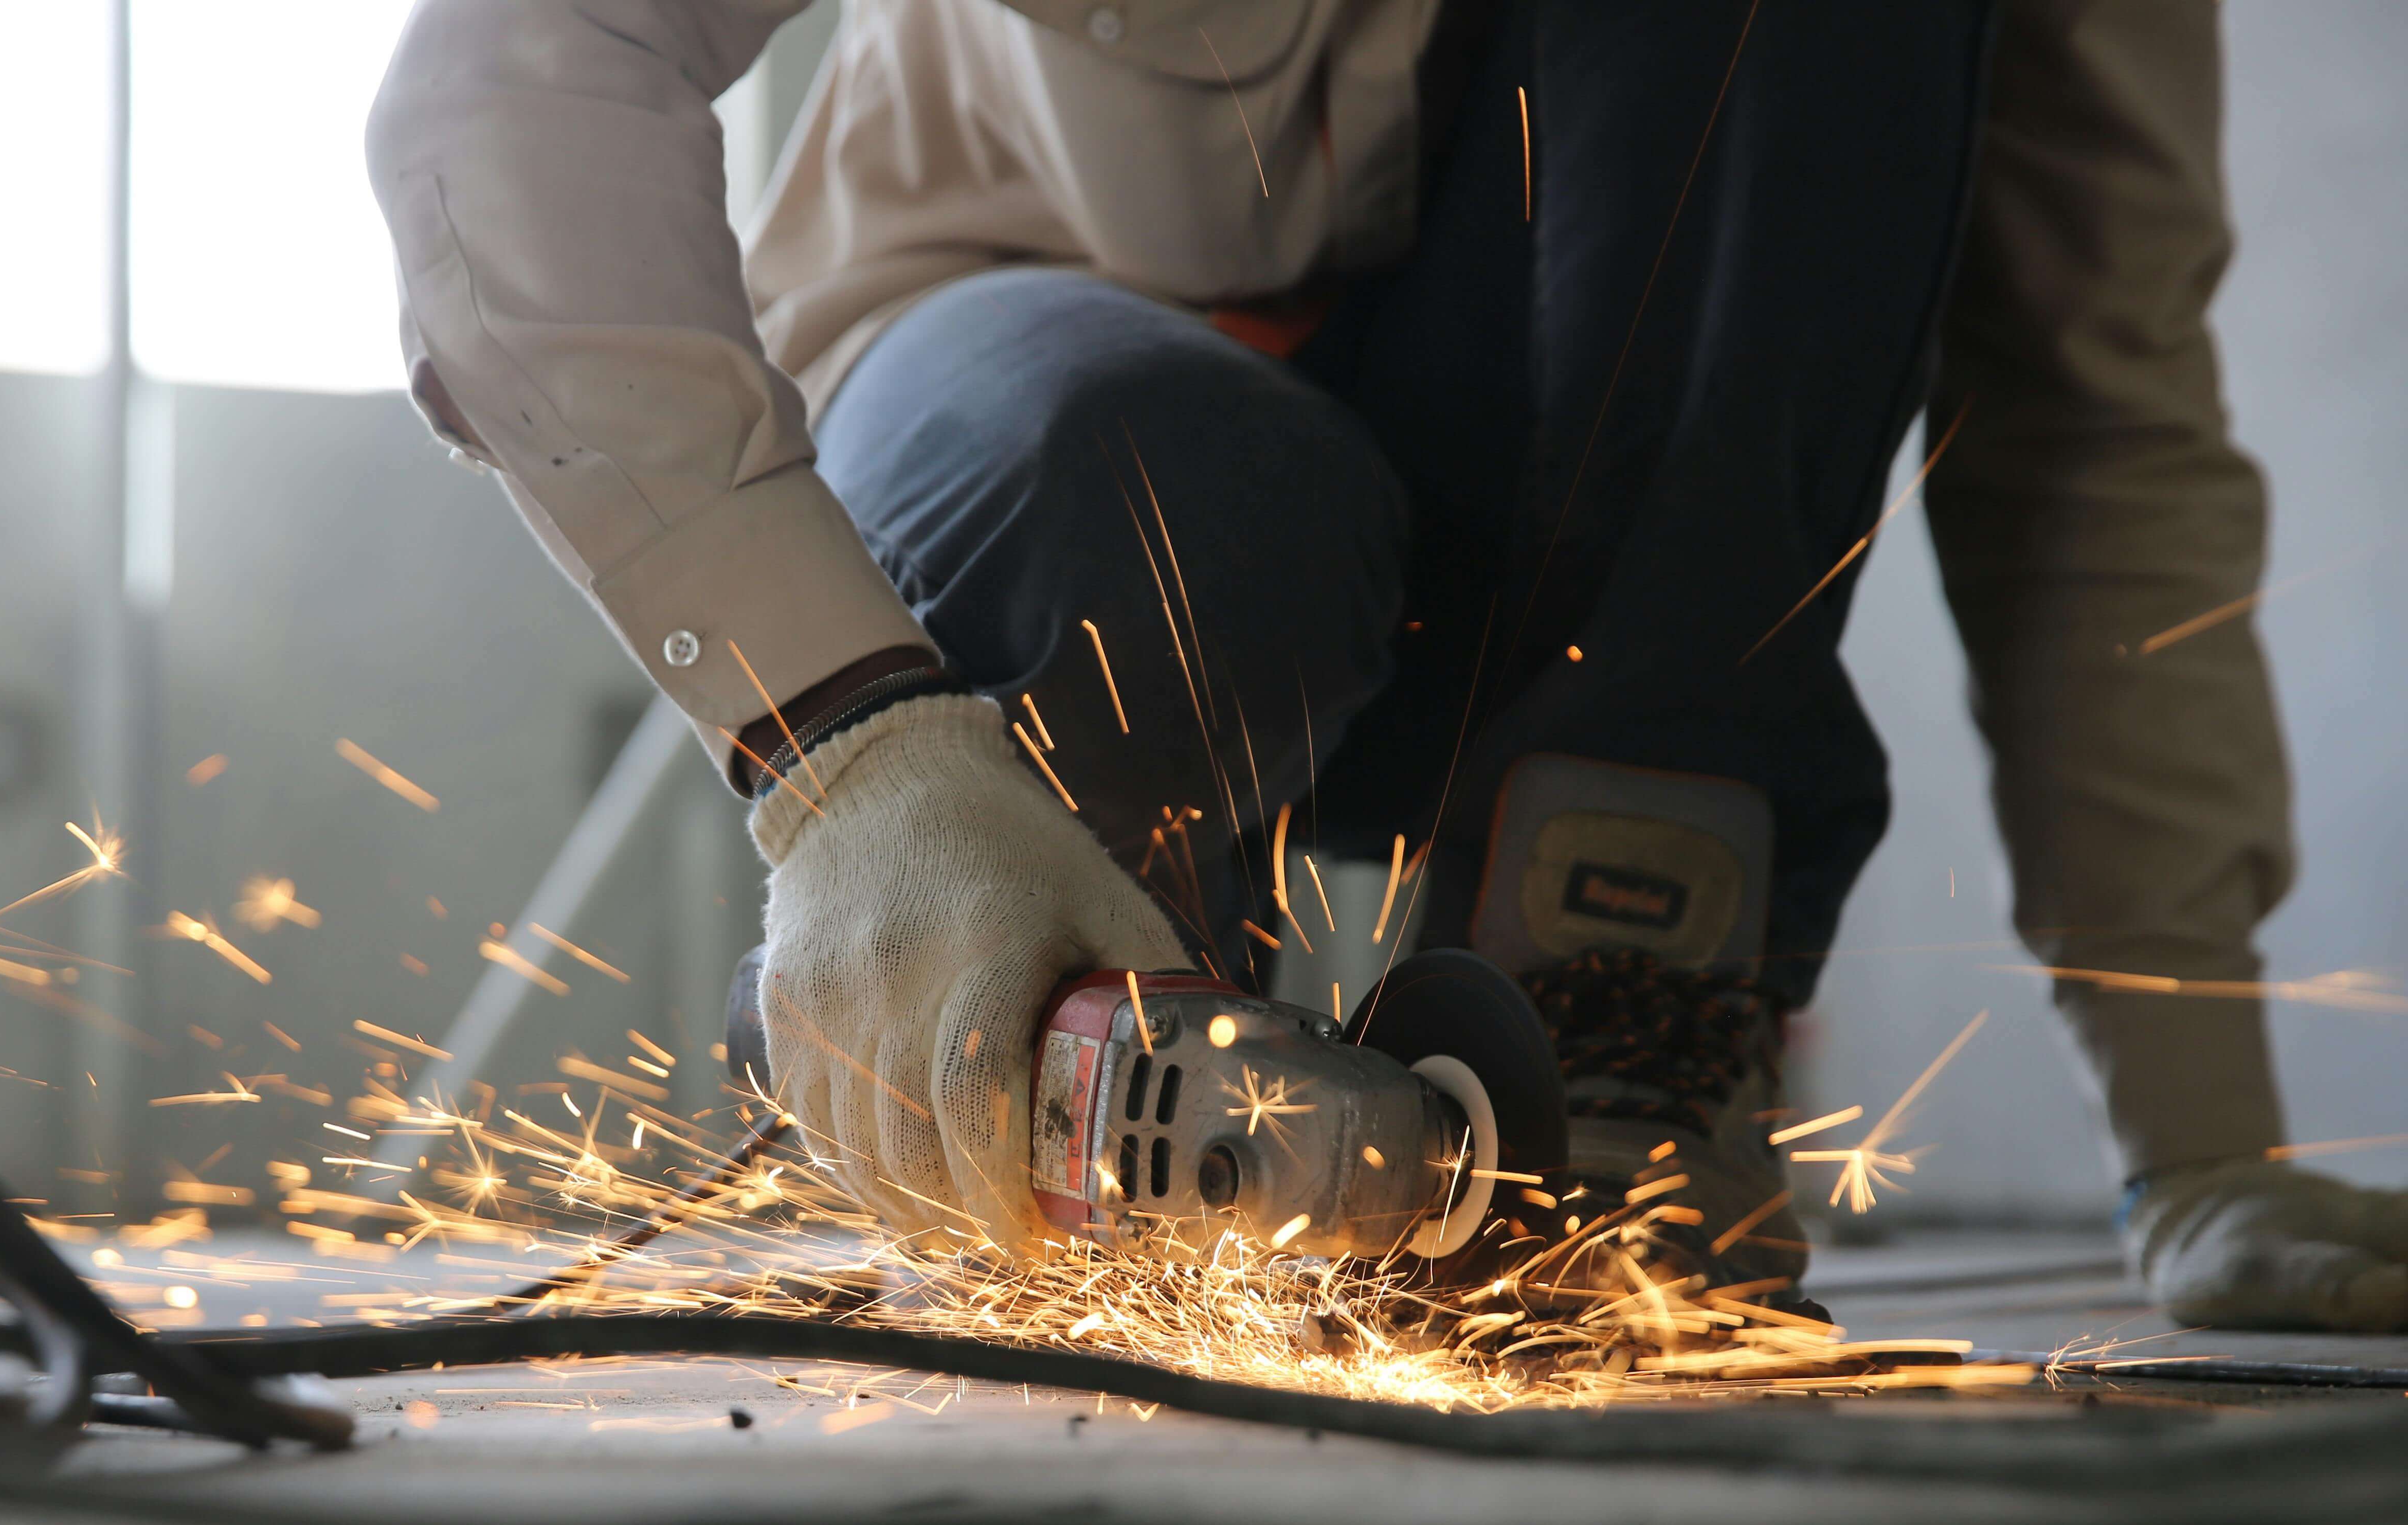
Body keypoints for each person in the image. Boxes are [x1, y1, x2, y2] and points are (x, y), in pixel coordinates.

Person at [367, 0, 2407, 1327]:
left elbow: (2095, 413)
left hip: (1581, 590)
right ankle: (1069, 1022)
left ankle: (1613, 1021)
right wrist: (852, 761)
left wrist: (2206, 1136)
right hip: (1058, 448)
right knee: (1147, 485)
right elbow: (514, 79)